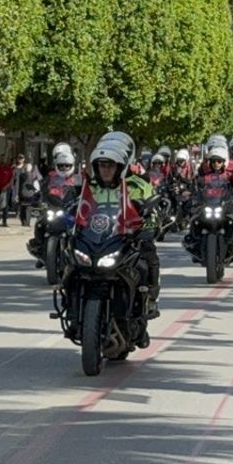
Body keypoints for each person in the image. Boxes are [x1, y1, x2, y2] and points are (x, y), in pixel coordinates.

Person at [82, 133, 160, 324]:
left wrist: (148, 224)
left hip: (125, 239)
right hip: (97, 239)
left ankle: (149, 297)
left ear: (121, 166)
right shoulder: (89, 186)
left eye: (110, 165)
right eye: (102, 165)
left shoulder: (138, 185)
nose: (106, 169)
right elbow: (77, 208)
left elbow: (153, 212)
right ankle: (72, 302)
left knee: (145, 257)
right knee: (71, 262)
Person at [0, 158, 14, 226]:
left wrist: (6, 186)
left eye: (3, 159)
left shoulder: (9, 169)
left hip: (5, 190)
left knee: (5, 205)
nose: (2, 161)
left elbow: (11, 179)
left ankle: (4, 220)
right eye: (1, 159)